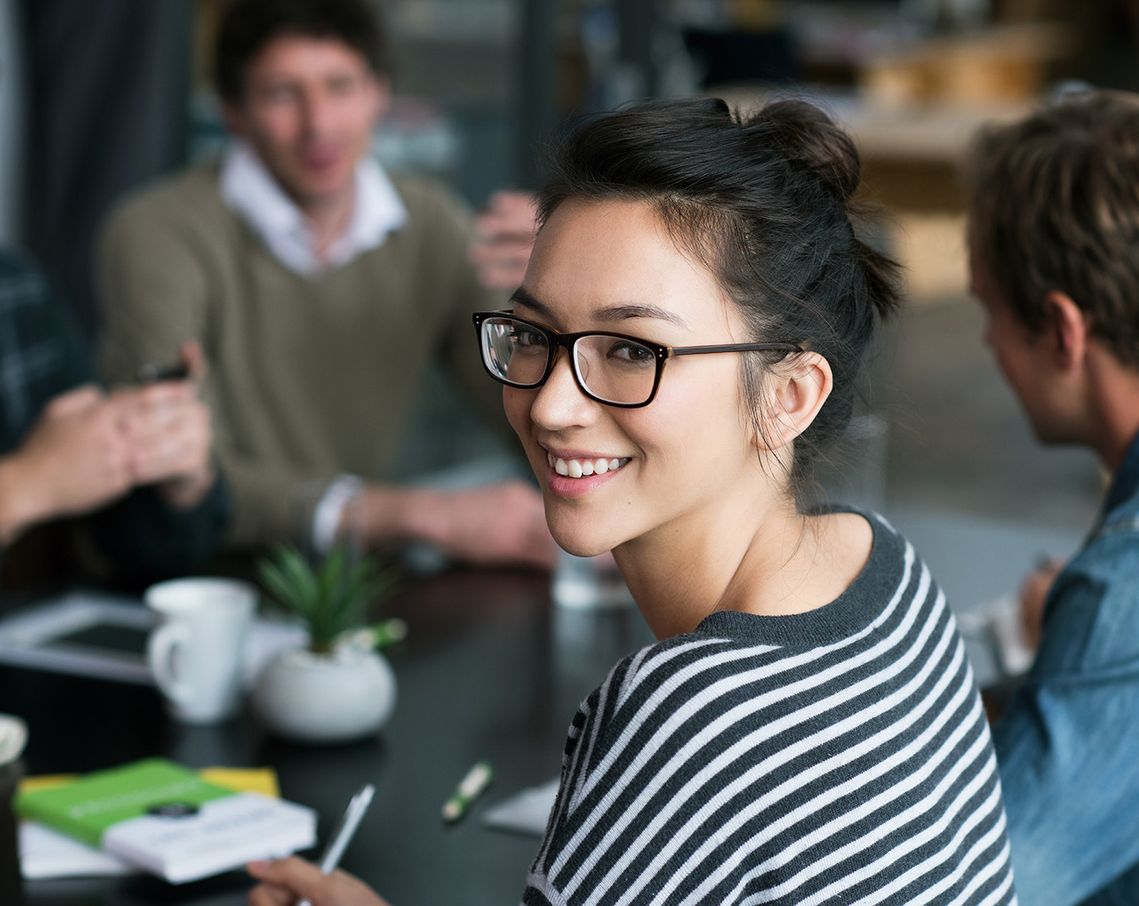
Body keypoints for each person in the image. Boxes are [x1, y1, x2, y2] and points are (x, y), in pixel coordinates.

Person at [247, 97, 1015, 905]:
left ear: (788, 394)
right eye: (532, 335)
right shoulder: (882, 568)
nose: (551, 405)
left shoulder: (692, 715)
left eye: (629, 350)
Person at [97, 0, 552, 568]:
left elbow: (526, 410)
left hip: (348, 581)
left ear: (380, 93)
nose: (319, 124)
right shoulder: (157, 232)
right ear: (234, 111)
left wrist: (562, 300)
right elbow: (180, 470)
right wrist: (420, 514)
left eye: (340, 86)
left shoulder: (431, 223)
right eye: (282, 94)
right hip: (193, 578)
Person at [965, 90, 1139, 905]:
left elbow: (991, 886)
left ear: (1063, 331)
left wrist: (1088, 635)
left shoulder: (1118, 593)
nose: (986, 342)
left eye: (990, 311)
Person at [0, 247, 226, 587]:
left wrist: (165, 462)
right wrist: (26, 483)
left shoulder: (18, 288)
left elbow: (124, 541)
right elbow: (49, 472)